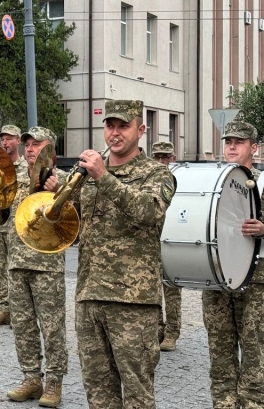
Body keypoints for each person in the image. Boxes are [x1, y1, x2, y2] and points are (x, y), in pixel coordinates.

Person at [73, 100, 174, 408]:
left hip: (133, 302)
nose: (115, 133)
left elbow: (148, 212)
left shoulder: (156, 173)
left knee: (137, 394)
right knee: (98, 392)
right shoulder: (86, 175)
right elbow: (72, 226)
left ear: (140, 130)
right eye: (110, 126)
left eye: (123, 126)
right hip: (89, 295)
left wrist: (104, 177)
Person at [3, 127, 68, 407]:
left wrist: (60, 193)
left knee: (52, 326)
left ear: (50, 149)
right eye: (27, 144)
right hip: (17, 262)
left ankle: (54, 382)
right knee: (23, 325)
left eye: (36, 144)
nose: (30, 149)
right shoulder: (14, 177)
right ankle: (31, 378)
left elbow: (74, 220)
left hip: (47, 265)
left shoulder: (61, 179)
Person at [202, 120, 264, 409]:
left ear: (254, 147)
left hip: (257, 280)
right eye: (228, 142)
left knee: (256, 354)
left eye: (238, 142)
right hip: (217, 276)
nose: (231, 147)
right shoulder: (211, 182)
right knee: (220, 353)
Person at [0, 125, 28, 326]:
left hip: (16, 228)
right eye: (3, 139)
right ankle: (4, 309)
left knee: (17, 271)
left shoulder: (26, 168)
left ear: (18, 141)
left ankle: (19, 312)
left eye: (10, 139)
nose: (6, 143)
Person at [151, 141, 181, 352]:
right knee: (152, 292)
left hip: (172, 242)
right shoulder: (147, 179)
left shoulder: (180, 180)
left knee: (171, 291)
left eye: (165, 157)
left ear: (173, 158)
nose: (162, 161)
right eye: (158, 157)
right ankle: (157, 330)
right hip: (151, 243)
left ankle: (172, 332)